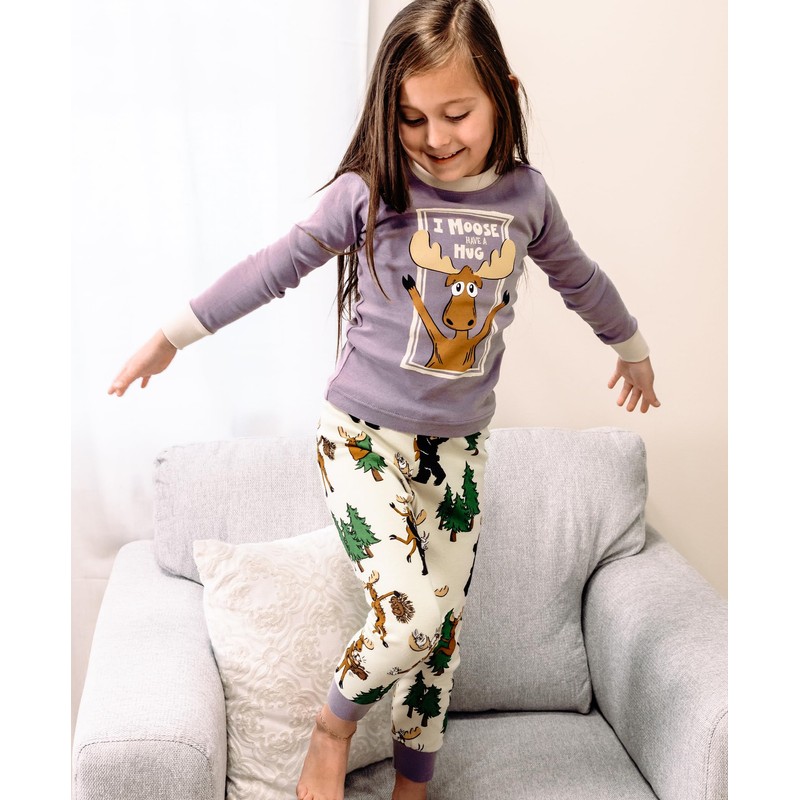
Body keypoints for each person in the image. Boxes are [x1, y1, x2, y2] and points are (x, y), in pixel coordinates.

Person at [109, 1, 660, 798]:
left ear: (503, 95)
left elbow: (581, 278)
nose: (435, 138)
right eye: (411, 117)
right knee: (414, 613)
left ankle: (413, 785)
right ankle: (330, 728)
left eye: (457, 114)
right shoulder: (373, 191)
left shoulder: (526, 198)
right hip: (361, 439)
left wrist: (631, 347)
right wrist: (173, 334)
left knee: (440, 640)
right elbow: (274, 266)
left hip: (458, 454)